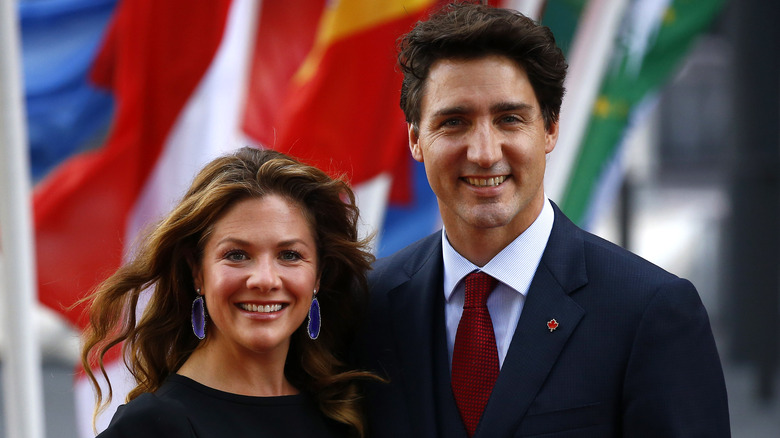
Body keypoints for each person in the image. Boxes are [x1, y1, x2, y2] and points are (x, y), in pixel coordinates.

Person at [360, 2, 730, 437]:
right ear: (416, 140)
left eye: (509, 119)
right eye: (454, 122)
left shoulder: (652, 311)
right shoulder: (367, 305)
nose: (483, 152)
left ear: (551, 129)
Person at [80, 147, 377, 437]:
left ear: (319, 275)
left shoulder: (341, 414)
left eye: (289, 255)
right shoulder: (152, 426)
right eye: (236, 255)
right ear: (197, 270)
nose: (265, 280)